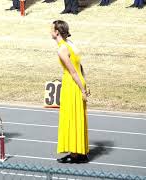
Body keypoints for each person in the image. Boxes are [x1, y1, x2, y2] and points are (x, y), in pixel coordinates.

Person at [51, 20, 90, 163]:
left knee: (70, 117)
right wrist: (84, 84)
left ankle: (75, 155)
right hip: (79, 81)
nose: (50, 31)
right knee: (78, 117)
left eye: (51, 29)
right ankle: (79, 152)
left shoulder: (62, 49)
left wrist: (82, 89)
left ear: (57, 32)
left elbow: (73, 72)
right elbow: (80, 66)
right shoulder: (71, 44)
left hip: (71, 84)